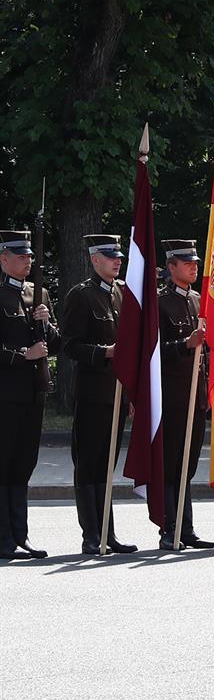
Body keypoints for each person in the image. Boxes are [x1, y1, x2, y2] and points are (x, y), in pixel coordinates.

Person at [61, 234, 138, 555]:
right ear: (95, 259)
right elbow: (70, 345)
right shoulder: (81, 296)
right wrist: (104, 352)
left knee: (107, 465)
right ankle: (91, 534)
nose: (117, 261)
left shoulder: (122, 294)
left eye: (118, 256)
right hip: (93, 393)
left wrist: (132, 394)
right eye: (110, 257)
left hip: (117, 394)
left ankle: (109, 531)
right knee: (89, 464)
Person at [0, 230, 60, 559]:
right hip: (6, 395)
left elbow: (57, 343)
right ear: (3, 259)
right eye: (21, 256)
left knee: (23, 466)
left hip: (32, 394)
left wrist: (46, 322)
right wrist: (23, 355)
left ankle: (19, 536)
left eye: (29, 256)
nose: (28, 261)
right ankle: (3, 539)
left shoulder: (39, 296)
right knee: (4, 465)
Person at [156, 241, 214, 550]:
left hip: (196, 396)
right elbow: (151, 354)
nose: (194, 266)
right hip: (172, 396)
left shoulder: (199, 301)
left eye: (195, 262)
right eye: (187, 262)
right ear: (171, 267)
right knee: (171, 465)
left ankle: (186, 528)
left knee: (188, 466)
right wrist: (184, 344)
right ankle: (169, 529)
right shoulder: (160, 303)